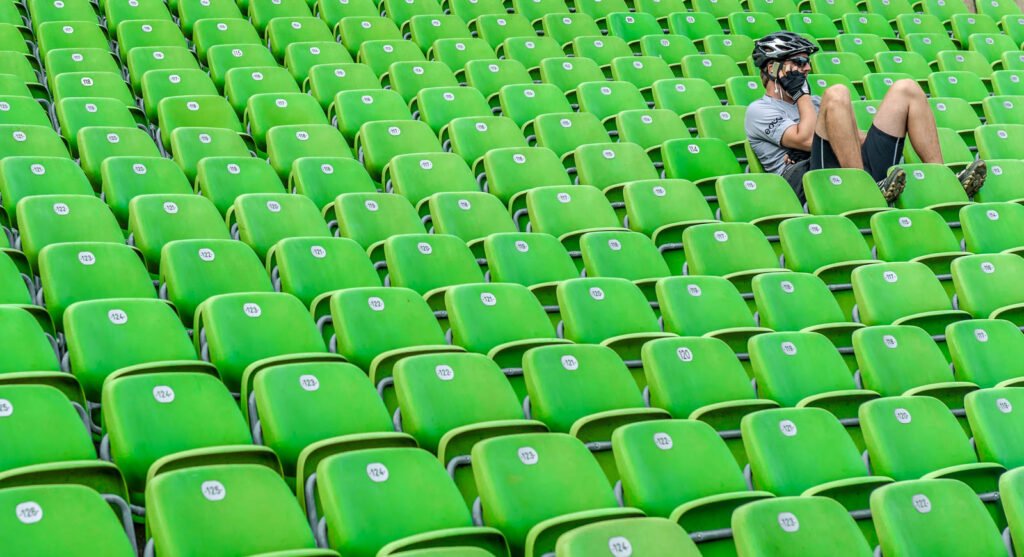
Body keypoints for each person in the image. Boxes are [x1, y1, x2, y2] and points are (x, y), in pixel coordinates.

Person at [744, 31, 986, 202]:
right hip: (810, 182)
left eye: (807, 62)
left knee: (906, 88)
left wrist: (886, 136)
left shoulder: (815, 102)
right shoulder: (759, 110)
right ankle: (863, 189)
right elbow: (807, 139)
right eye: (799, 62)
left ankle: (942, 180)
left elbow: (849, 139)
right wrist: (802, 96)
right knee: (837, 93)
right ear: (773, 68)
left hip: (844, 166)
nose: (807, 68)